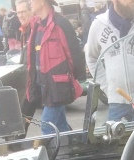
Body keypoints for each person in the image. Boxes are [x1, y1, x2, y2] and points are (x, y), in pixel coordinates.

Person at [23, 0, 87, 135]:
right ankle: (73, 144)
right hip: (43, 85)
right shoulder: (35, 25)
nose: (30, 3)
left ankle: (61, 148)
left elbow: (74, 52)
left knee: (47, 126)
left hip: (58, 87)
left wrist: (74, 77)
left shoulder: (61, 23)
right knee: (60, 126)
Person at [85, 0, 134, 121]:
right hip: (117, 103)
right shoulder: (99, 24)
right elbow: (91, 58)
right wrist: (107, 87)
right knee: (116, 134)